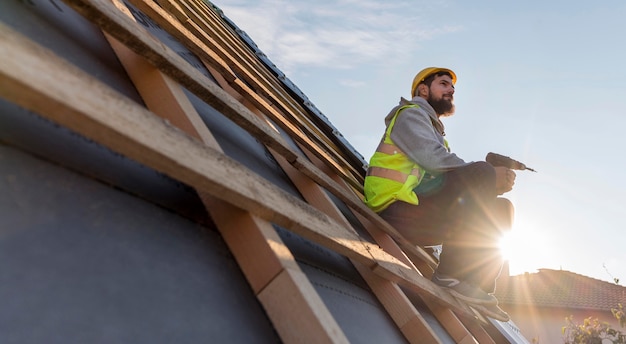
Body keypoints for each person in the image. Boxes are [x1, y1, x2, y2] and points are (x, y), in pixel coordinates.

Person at [363, 67, 515, 322]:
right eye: (444, 84)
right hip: (394, 207)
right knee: (481, 172)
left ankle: (479, 286)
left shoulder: (435, 132)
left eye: (452, 87)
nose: (451, 90)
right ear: (423, 89)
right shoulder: (409, 115)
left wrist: (492, 186)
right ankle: (450, 274)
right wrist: (487, 176)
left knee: (503, 208)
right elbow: (432, 160)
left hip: (419, 211)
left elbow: (444, 180)